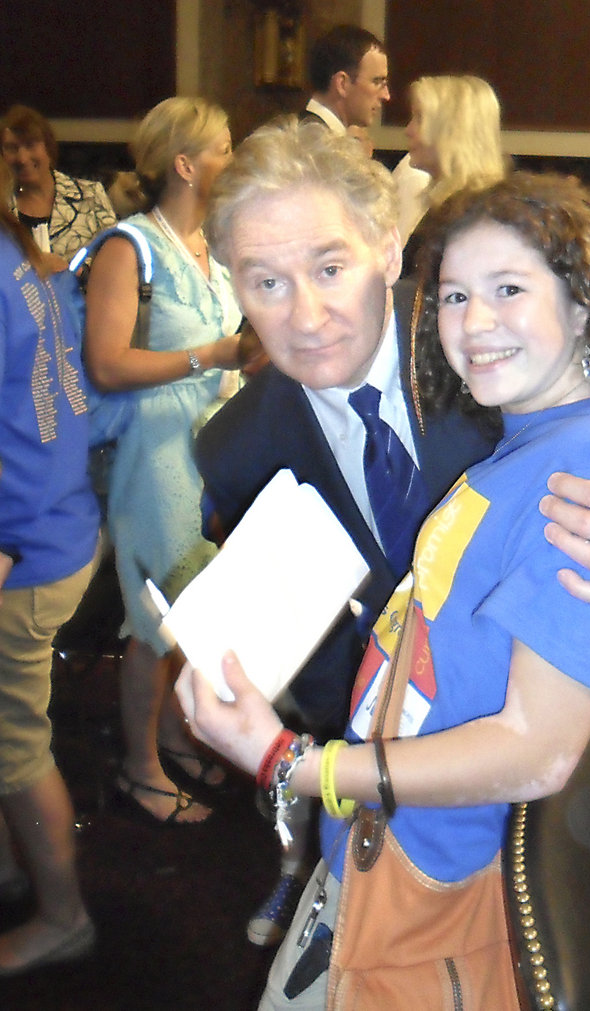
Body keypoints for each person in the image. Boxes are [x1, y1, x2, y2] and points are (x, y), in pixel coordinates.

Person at [194, 118, 590, 947]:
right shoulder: (236, 447)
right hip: (426, 800)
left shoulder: (498, 334)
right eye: (265, 281)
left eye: (330, 267)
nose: (308, 313)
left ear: (389, 250)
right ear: (232, 283)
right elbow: (336, 670)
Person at [82, 97, 244, 824]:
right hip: (152, 451)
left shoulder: (213, 247)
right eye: (225, 148)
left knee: (196, 604)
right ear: (186, 164)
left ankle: (174, 733)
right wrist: (206, 355)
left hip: (209, 443)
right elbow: (106, 365)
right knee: (156, 617)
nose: (235, 162)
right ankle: (138, 766)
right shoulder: (130, 247)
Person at [0, 158, 100, 973]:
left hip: (22, 546)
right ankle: (12, 866)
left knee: (14, 744)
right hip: (56, 520)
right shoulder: (16, 256)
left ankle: (64, 916)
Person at [400, 75, 507, 275]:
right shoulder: (452, 207)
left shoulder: (468, 218)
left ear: (451, 130)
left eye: (419, 118)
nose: (408, 130)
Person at [0, 104, 116, 270]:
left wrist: (70, 272)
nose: (22, 158)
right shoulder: (2, 207)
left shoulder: (91, 195)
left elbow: (115, 263)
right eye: (12, 148)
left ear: (48, 146)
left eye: (30, 145)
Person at [301, 24, 389, 139]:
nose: (386, 95)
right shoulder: (317, 147)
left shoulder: (304, 134)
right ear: (342, 84)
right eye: (376, 82)